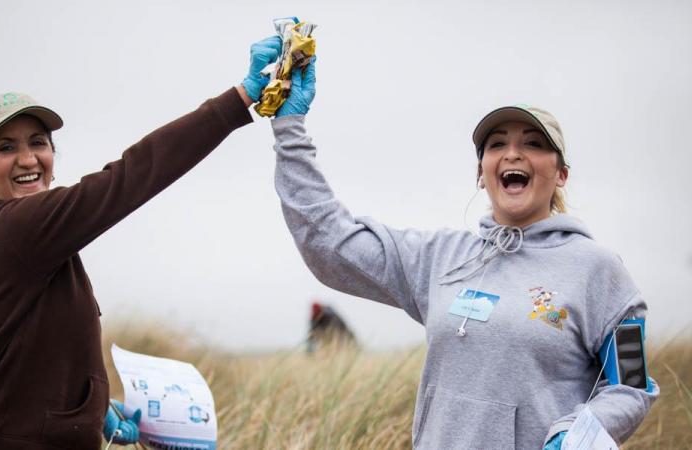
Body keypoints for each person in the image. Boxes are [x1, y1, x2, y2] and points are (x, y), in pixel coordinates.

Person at [269, 57, 659, 448]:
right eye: (496, 144)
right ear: (481, 172)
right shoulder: (440, 258)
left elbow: (632, 386)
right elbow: (331, 242)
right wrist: (290, 129)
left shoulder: (599, 272)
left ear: (561, 174)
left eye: (534, 144)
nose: (512, 153)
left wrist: (576, 436)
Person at [0, 36, 283, 449]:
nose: (28, 159)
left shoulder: (8, 238)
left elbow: (24, 362)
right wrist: (238, 100)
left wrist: (91, 406)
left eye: (38, 142)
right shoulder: (16, 228)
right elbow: (131, 176)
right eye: (6, 148)